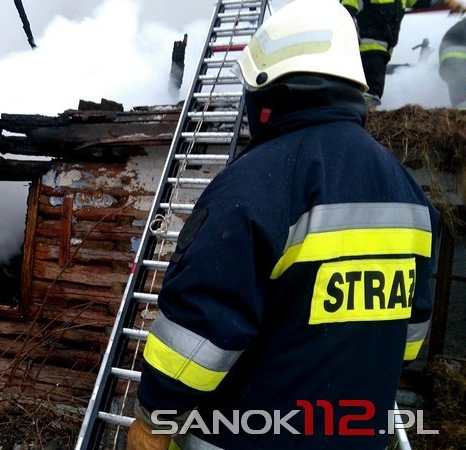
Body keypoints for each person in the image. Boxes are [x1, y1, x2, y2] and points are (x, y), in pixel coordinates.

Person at [128, 0, 439, 449]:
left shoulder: (255, 186)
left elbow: (197, 335)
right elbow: (407, 340)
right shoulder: (408, 192)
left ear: (267, 91)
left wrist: (154, 418)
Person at [341, 0, 465, 108]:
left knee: (372, 89)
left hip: (381, 51)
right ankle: (364, 121)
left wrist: (446, 2)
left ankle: (362, 117)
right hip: (365, 49)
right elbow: (346, 9)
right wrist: (349, 30)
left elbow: (422, 1)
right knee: (371, 91)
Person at [440, 17, 466, 109]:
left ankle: (458, 119)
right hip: (460, 57)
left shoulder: (457, 27)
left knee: (459, 100)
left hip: (447, 59)